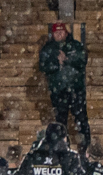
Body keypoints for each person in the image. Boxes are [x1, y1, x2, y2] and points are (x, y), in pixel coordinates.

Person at [38, 22, 91, 150]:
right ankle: (62, 148)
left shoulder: (75, 45)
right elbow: (43, 66)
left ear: (66, 33)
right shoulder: (48, 48)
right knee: (60, 121)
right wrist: (57, 63)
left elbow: (82, 60)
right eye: (57, 32)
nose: (59, 34)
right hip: (58, 91)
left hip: (76, 90)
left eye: (61, 32)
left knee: (81, 119)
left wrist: (67, 59)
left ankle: (86, 148)